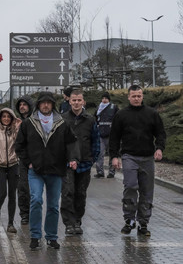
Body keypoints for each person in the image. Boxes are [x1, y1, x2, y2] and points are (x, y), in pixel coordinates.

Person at [15, 92, 78, 250]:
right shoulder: (28, 123)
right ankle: (35, 236)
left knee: (53, 206)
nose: (45, 105)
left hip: (56, 170)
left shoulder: (62, 123)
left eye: (48, 103)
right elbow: (20, 146)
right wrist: (28, 162)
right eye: (42, 103)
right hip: (35, 170)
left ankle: (51, 237)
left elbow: (71, 143)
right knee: (36, 200)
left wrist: (73, 158)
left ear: (53, 105)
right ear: (38, 105)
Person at [110, 85, 166, 237]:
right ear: (128, 97)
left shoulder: (152, 114)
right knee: (131, 186)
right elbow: (114, 137)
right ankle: (129, 219)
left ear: (142, 96)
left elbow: (160, 133)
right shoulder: (121, 115)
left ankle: (143, 222)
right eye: (134, 96)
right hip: (129, 156)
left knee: (147, 191)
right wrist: (114, 156)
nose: (136, 98)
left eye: (139, 96)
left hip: (148, 158)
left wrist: (159, 148)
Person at [60, 89, 100, 235]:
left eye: (79, 100)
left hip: (84, 164)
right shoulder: (63, 119)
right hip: (67, 164)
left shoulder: (90, 120)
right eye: (73, 100)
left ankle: (77, 221)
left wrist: (92, 159)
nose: (76, 103)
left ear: (83, 101)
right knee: (67, 192)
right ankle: (68, 223)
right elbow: (59, 142)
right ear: (69, 101)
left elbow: (96, 141)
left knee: (80, 193)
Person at [15, 95, 34, 225]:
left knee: (36, 190)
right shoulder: (17, 122)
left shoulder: (36, 121)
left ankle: (35, 212)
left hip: (38, 159)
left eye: (25, 104)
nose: (22, 107)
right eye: (20, 105)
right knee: (23, 187)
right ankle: (25, 214)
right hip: (23, 160)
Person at [95, 92, 118, 178]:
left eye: (106, 98)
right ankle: (100, 172)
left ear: (109, 99)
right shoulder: (98, 108)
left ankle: (111, 172)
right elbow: (95, 119)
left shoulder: (114, 107)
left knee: (112, 153)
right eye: (103, 98)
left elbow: (118, 119)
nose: (104, 100)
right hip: (100, 134)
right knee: (100, 154)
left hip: (111, 134)